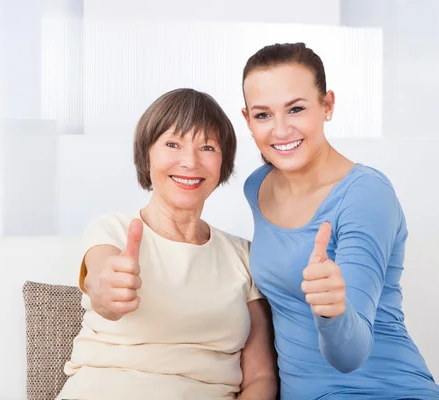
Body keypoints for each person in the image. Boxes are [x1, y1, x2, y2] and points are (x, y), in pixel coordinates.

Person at [240, 42, 439, 399]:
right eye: (263, 115)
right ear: (247, 119)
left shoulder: (366, 194)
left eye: (296, 109)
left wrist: (333, 311)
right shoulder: (257, 187)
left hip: (387, 390)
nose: (280, 130)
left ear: (327, 106)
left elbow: (349, 354)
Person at [58, 88, 277, 400]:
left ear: (222, 163)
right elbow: (99, 281)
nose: (189, 162)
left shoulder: (243, 255)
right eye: (173, 144)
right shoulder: (113, 231)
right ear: (147, 154)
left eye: (207, 147)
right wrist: (107, 292)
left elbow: (261, 376)